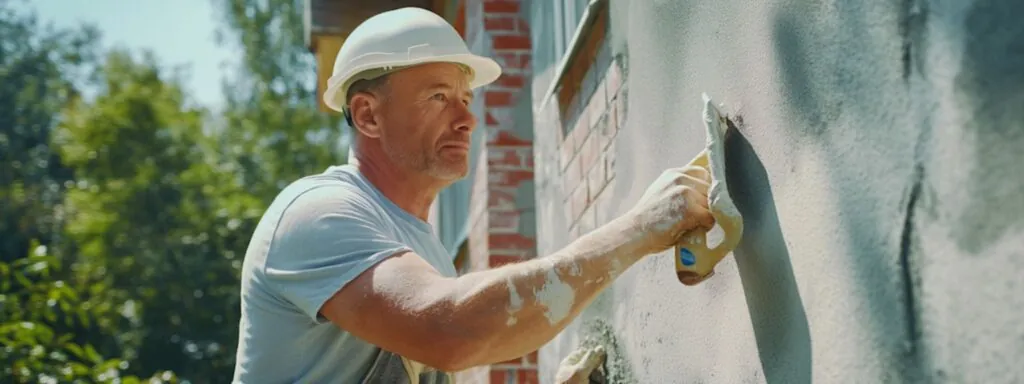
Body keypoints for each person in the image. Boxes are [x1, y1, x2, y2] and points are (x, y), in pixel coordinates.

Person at [231, 7, 715, 384]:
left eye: (466, 98)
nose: (466, 119)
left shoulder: (429, 255)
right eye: (438, 97)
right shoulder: (318, 215)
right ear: (368, 116)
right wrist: (639, 229)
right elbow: (450, 328)